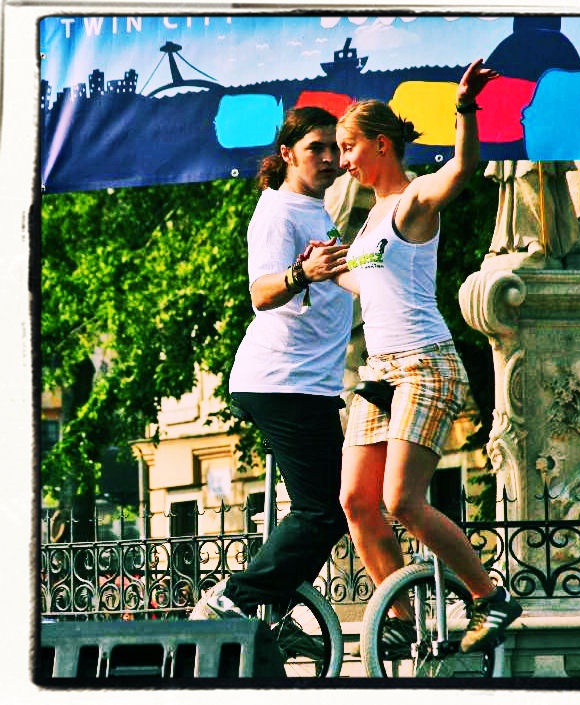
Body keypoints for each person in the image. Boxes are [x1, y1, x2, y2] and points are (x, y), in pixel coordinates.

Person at [328, 58, 522, 655]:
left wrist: (465, 108)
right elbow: (368, 285)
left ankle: (490, 596)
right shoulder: (368, 222)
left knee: (401, 500)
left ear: (381, 145)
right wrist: (327, 269)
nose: (342, 161)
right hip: (380, 371)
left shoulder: (411, 200)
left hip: (423, 363)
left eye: (348, 148)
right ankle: (402, 619)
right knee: (356, 503)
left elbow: (462, 169)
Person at [201, 107, 353, 624]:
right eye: (316, 148)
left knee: (336, 509)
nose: (329, 158)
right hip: (282, 381)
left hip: (310, 384)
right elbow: (261, 293)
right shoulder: (277, 212)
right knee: (323, 510)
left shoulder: (315, 207)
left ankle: (272, 622)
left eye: (335, 148)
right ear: (287, 153)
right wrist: (301, 273)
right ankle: (233, 598)